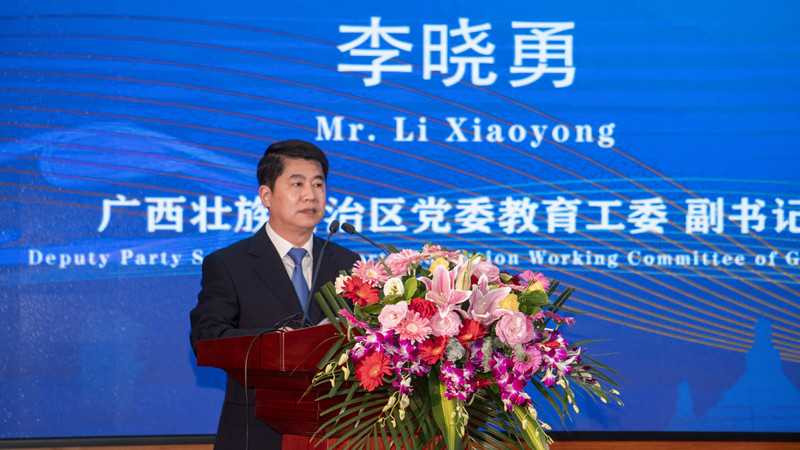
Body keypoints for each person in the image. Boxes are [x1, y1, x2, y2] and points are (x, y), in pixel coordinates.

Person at [189, 139, 360, 449]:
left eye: (318, 184)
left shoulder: (348, 263)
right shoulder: (229, 264)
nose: (310, 195)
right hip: (256, 431)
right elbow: (206, 337)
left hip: (338, 430)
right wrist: (273, 343)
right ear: (266, 195)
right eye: (297, 184)